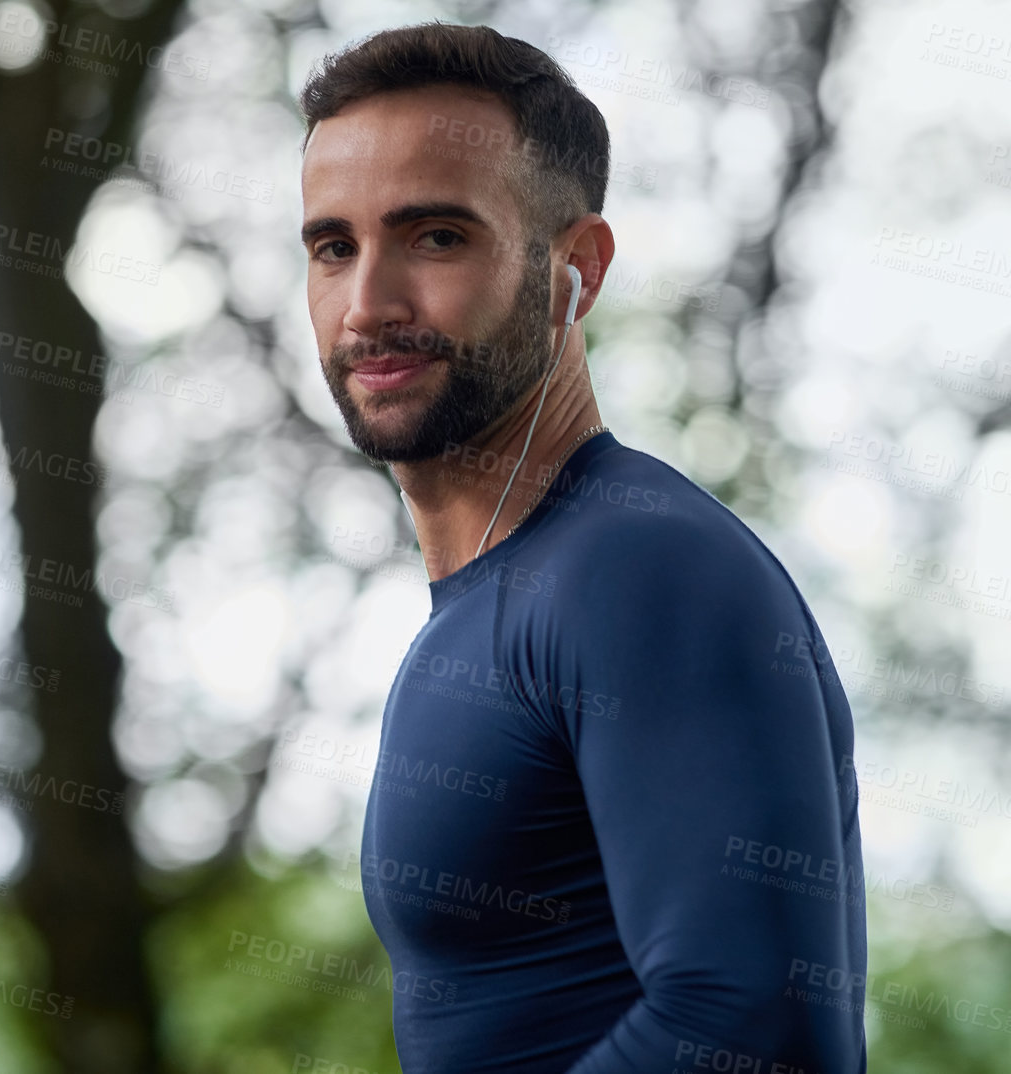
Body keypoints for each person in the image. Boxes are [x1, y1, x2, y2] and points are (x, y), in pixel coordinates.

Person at [297, 22, 867, 1073]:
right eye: (334, 246)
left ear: (577, 267)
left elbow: (752, 1030)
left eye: (436, 238)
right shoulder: (484, 602)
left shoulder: (641, 569)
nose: (366, 306)